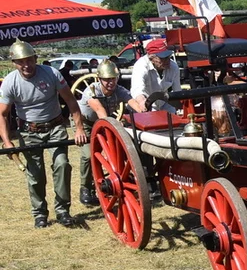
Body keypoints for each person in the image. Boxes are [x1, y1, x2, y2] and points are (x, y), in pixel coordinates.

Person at [0, 39, 88, 228]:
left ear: (35, 58)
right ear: (14, 63)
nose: (26, 65)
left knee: (62, 165)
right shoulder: (9, 82)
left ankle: (63, 210)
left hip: (55, 127)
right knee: (35, 174)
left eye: (29, 60)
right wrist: (7, 142)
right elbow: (2, 114)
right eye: (21, 61)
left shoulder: (51, 73)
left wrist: (79, 128)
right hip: (29, 131)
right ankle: (40, 213)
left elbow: (72, 102)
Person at [76, 59, 145, 205]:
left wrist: (143, 113)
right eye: (106, 80)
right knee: (88, 156)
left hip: (107, 122)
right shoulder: (92, 91)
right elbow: (100, 111)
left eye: (113, 79)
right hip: (87, 124)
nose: (110, 83)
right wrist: (113, 124)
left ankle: (127, 179)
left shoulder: (119, 90)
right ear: (99, 79)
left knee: (120, 150)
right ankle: (86, 189)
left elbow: (133, 103)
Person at [129, 38, 181, 113]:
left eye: (168, 57)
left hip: (164, 103)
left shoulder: (174, 67)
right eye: (163, 58)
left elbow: (177, 92)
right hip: (147, 104)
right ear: (151, 58)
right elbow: (137, 90)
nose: (167, 60)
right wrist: (142, 102)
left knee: (174, 119)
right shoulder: (140, 66)